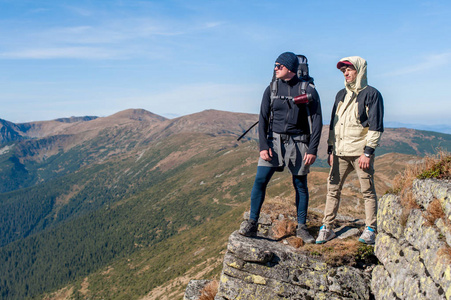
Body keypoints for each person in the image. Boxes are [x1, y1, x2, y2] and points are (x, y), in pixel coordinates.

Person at [238, 52, 322, 243]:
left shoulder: (307, 90)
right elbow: (263, 118)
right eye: (275, 65)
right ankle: (252, 223)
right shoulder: (271, 89)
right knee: (260, 180)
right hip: (273, 141)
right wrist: (263, 145)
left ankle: (302, 227)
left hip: (299, 142)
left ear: (290, 68)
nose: (275, 68)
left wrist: (312, 149)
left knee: (300, 184)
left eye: (279, 66)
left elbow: (317, 121)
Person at [316, 56, 384, 245]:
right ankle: (327, 227)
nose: (346, 73)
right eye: (343, 71)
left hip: (360, 152)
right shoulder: (340, 95)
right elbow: (334, 124)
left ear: (359, 70)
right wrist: (331, 149)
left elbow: (376, 125)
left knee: (367, 191)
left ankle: (371, 228)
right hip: (340, 153)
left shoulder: (372, 94)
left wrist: (368, 152)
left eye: (349, 69)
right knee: (332, 190)